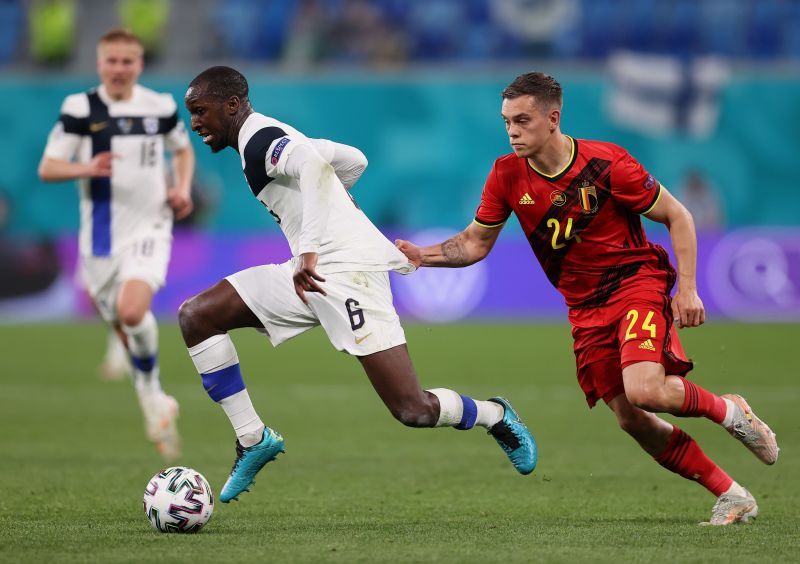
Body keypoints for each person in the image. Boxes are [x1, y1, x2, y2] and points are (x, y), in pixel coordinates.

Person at [395, 72, 778, 526]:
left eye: (522, 120)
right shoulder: (505, 174)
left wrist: (688, 289)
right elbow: (475, 244)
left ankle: (731, 412)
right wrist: (423, 255)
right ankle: (733, 495)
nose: (512, 131)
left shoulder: (606, 164)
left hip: (635, 283)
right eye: (506, 122)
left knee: (645, 390)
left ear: (553, 118)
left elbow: (678, 215)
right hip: (584, 308)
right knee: (632, 419)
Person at [180, 66, 536, 504]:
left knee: (413, 410)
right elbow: (352, 159)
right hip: (310, 274)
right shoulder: (261, 136)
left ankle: (495, 415)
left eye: (200, 111)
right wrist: (330, 214)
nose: (195, 122)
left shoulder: (258, 139)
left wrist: (313, 244)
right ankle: (253, 439)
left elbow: (311, 164)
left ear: (232, 105)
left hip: (348, 272)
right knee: (198, 316)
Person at [38, 28, 195, 461]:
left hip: (150, 227)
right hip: (101, 239)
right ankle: (154, 397)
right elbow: (48, 167)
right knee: (123, 326)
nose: (120, 69)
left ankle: (150, 395)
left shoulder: (160, 107)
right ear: (99, 63)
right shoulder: (80, 108)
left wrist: (181, 188)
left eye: (128, 61)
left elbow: (182, 151)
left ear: (140, 65)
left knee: (131, 311)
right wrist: (87, 166)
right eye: (112, 61)